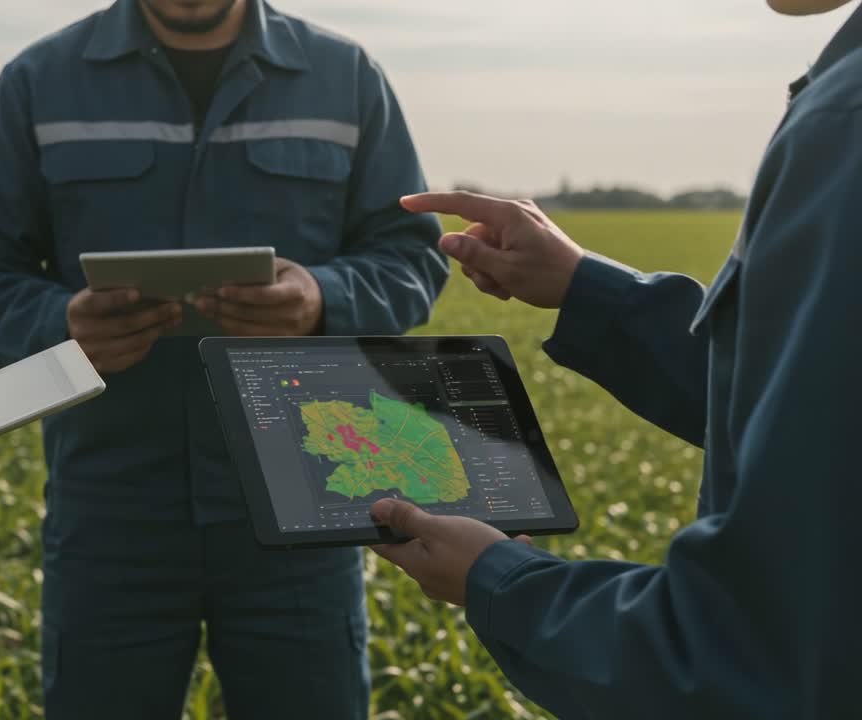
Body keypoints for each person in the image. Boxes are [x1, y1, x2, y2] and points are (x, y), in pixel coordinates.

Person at [0, 0, 447, 716]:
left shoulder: (344, 76)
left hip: (304, 500)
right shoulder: (40, 81)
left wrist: (322, 300)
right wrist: (60, 324)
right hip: (112, 509)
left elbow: (410, 258)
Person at [368, 0, 862, 716]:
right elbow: (805, 406)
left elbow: (748, 651)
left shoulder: (844, 124)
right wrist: (585, 289)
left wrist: (496, 576)